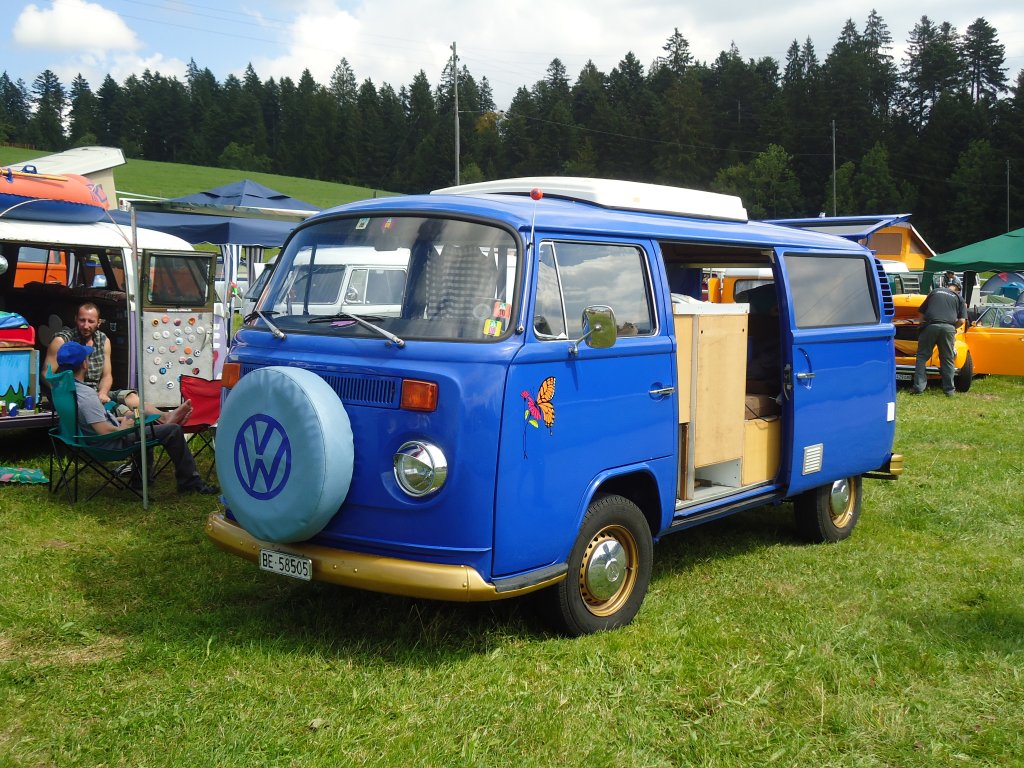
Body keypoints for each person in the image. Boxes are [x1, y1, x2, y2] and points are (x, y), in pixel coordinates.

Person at [56, 341, 218, 494]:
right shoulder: (87, 396)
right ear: (84, 364)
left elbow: (92, 422)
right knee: (173, 431)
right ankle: (190, 483)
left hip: (89, 439)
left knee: (140, 415)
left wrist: (120, 421)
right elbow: (103, 431)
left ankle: (164, 420)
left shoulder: (64, 389)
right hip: (111, 442)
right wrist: (122, 428)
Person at [45, 302, 143, 418]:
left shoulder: (103, 340)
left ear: (99, 322)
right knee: (126, 412)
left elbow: (107, 376)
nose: (86, 326)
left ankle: (165, 418)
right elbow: (46, 374)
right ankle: (138, 424)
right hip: (75, 395)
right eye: (82, 320)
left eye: (91, 321)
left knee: (134, 400)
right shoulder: (62, 341)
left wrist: (102, 393)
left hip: (97, 392)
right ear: (76, 319)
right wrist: (64, 392)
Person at [911, 283, 966, 397]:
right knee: (947, 359)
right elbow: (961, 321)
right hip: (948, 328)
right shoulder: (959, 298)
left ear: (946, 287)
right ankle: (949, 391)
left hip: (930, 326)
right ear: (958, 291)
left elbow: (921, 312)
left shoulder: (935, 292)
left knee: (922, 357)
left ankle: (919, 388)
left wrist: (921, 325)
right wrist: (951, 328)